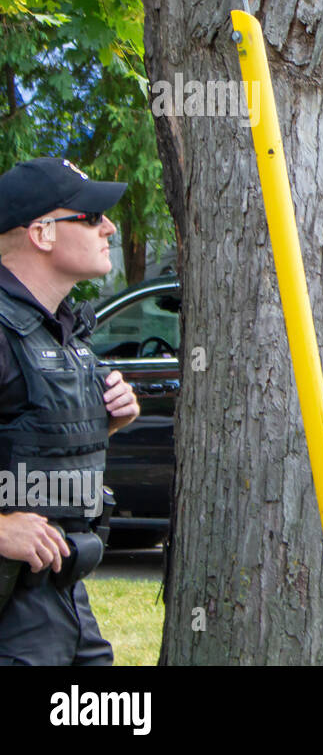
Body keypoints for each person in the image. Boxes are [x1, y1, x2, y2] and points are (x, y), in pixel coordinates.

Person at [0, 157, 140, 665]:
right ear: (41, 233)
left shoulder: (57, 329)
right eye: (89, 216)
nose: (109, 226)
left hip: (63, 597)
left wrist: (107, 417)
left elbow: (32, 430)